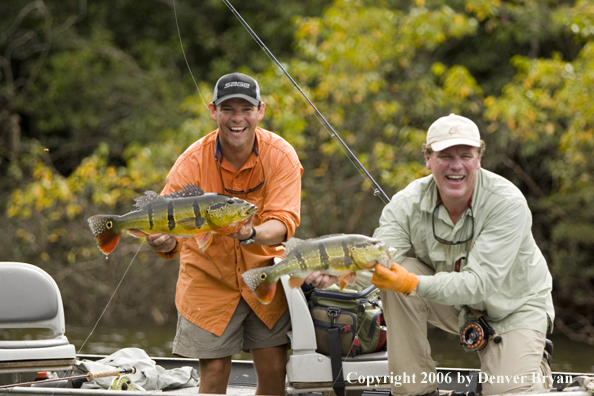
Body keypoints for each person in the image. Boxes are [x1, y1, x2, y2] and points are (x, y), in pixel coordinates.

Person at [370, 114, 555, 396]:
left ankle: (534, 365)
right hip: (456, 307)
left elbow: (479, 283)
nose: (456, 165)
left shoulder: (507, 202)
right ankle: (415, 390)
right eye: (445, 155)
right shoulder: (406, 202)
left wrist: (411, 283)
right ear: (428, 159)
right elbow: (372, 260)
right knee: (393, 270)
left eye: (465, 155)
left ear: (479, 158)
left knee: (505, 391)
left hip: (514, 309)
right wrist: (328, 274)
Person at [146, 72, 303, 395]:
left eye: (245, 109)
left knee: (274, 370)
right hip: (207, 279)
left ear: (260, 111)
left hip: (264, 275)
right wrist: (163, 240)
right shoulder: (190, 162)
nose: (237, 118)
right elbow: (168, 226)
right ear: (213, 111)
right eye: (227, 109)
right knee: (215, 372)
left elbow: (284, 223)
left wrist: (251, 233)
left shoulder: (281, 155)